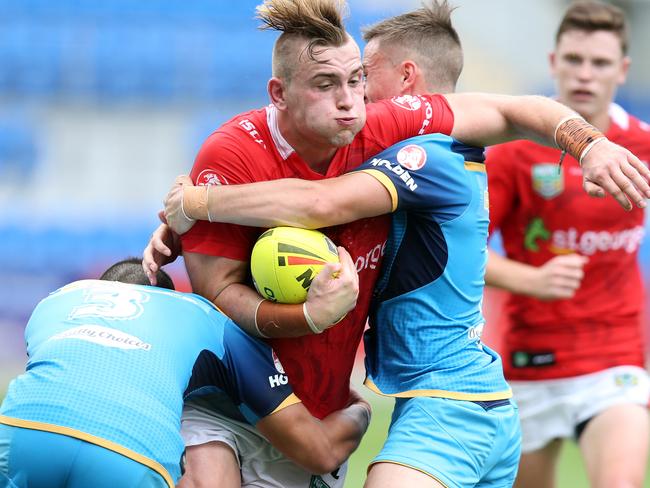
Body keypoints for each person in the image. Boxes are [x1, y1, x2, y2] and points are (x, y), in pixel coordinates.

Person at [144, 1, 650, 486]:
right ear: (280, 92)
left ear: (407, 81)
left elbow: (320, 205)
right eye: (330, 83)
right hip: (436, 396)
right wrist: (196, 221)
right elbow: (231, 269)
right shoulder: (301, 145)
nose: (352, 99)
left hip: (450, 402)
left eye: (361, 76)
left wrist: (199, 202)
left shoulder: (426, 156)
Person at [0, 258, 371, 488]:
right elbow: (318, 452)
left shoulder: (61, 298)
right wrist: (360, 411)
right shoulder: (204, 316)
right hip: (130, 453)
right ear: (169, 295)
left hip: (24, 430)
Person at [483, 2, 650, 487]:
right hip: (531, 359)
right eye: (574, 60)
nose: (585, 74)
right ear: (554, 61)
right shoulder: (514, 152)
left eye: (599, 63)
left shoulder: (642, 144)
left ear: (622, 71)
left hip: (613, 356)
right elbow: (458, 247)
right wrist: (529, 279)